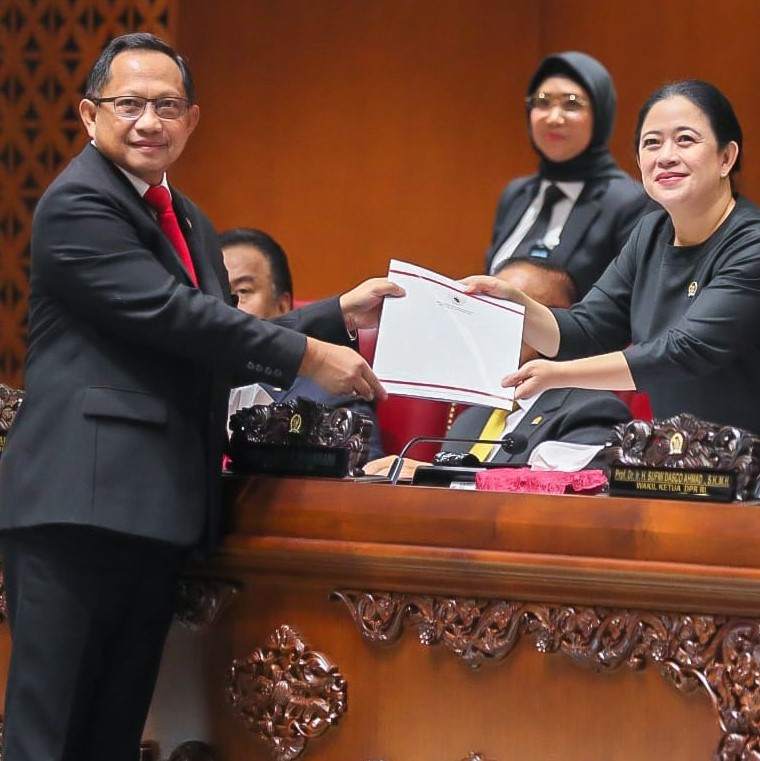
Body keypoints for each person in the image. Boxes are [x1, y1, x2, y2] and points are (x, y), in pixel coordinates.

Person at [0, 33, 401, 761]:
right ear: (90, 115)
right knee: (48, 737)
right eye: (130, 104)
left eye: (167, 105)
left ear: (191, 121)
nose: (149, 120)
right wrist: (311, 352)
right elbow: (172, 316)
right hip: (76, 506)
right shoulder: (79, 204)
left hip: (152, 509)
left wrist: (335, 311)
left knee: (108, 735)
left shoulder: (183, 217)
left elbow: (217, 332)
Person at [465, 80, 760, 490]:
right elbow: (585, 330)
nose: (666, 157)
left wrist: (558, 375)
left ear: (727, 157)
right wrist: (516, 304)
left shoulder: (757, 246)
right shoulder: (650, 235)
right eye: (652, 143)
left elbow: (682, 352)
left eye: (686, 140)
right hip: (710, 477)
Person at [363, 259, 631, 476]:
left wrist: (436, 476)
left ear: (556, 320)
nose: (495, 325)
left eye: (511, 310)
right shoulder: (471, 419)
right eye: (489, 310)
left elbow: (570, 492)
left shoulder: (592, 409)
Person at [485, 51, 649, 299]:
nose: (553, 118)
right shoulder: (516, 193)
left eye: (571, 103)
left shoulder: (630, 201)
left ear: (600, 114)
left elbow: (632, 307)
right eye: (542, 102)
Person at [221, 227, 384, 460]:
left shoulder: (331, 392)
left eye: (242, 291)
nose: (227, 309)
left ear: (283, 305)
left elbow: (365, 480)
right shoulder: (181, 389)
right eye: (218, 294)